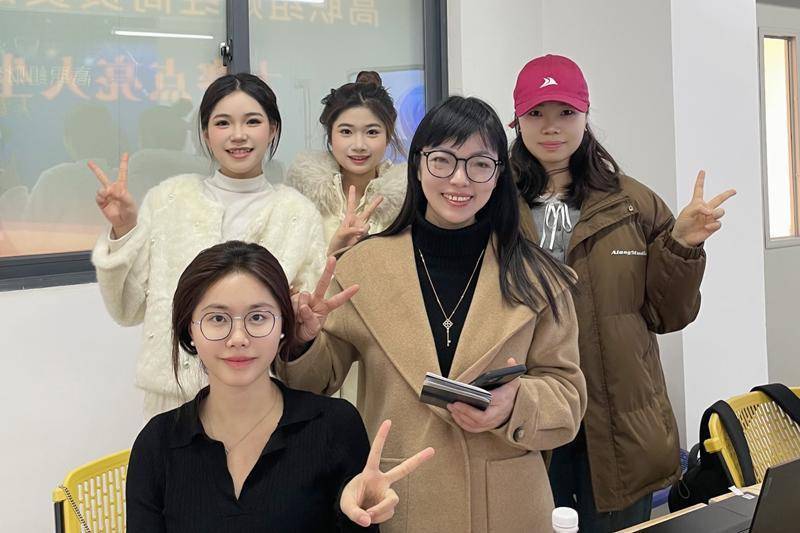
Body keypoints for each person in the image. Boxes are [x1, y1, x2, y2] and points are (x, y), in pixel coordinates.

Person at [275, 96, 587, 532]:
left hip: (509, 504)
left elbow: (568, 398)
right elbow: (314, 383)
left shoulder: (538, 277)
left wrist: (515, 405)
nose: (460, 178)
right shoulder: (363, 267)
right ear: (418, 165)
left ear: (498, 175)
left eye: (480, 164)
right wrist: (303, 341)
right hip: (403, 497)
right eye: (442, 160)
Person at [508, 54, 736, 532]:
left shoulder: (633, 203)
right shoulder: (493, 204)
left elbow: (668, 314)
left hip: (619, 424)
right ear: (518, 120)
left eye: (565, 112)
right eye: (536, 113)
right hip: (527, 411)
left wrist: (682, 246)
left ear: (585, 115)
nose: (551, 127)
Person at [126, 241, 434, 532]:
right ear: (189, 330)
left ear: (284, 326)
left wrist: (359, 517)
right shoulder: (157, 444)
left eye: (258, 317)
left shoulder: (334, 426)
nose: (239, 338)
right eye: (217, 319)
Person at [90, 73, 326, 419]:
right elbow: (127, 308)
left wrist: (299, 320)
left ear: (272, 129)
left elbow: (300, 328)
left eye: (252, 121)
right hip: (173, 401)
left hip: (261, 399)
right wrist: (124, 228)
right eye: (223, 123)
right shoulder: (169, 199)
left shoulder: (298, 214)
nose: (238, 135)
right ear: (205, 133)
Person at [286, 71, 406, 255]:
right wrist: (334, 253)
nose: (359, 146)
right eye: (346, 132)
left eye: (372, 132)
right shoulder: (301, 198)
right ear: (330, 136)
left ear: (388, 137)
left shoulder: (406, 201)